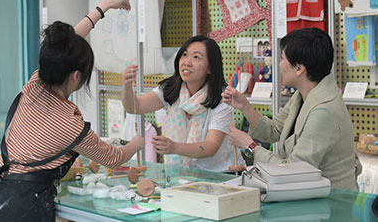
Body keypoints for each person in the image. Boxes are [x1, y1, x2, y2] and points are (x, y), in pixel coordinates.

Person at [0, 0, 144, 221]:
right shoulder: (70, 125)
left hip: (3, 189)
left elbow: (66, 49)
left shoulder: (34, 85)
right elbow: (114, 159)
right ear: (77, 76)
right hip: (26, 206)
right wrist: (137, 142)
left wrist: (104, 7)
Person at [222, 28, 362, 191]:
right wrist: (244, 106)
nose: (279, 65)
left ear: (299, 68)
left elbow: (294, 170)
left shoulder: (324, 110)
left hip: (331, 205)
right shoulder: (303, 95)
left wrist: (251, 147)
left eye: (282, 59)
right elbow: (274, 130)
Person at [121, 35, 243, 172]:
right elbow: (135, 107)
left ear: (210, 68)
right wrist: (126, 87)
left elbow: (210, 147)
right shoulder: (171, 89)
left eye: (196, 57)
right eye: (184, 55)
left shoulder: (222, 100)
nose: (187, 62)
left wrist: (175, 147)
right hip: (182, 176)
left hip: (220, 175)